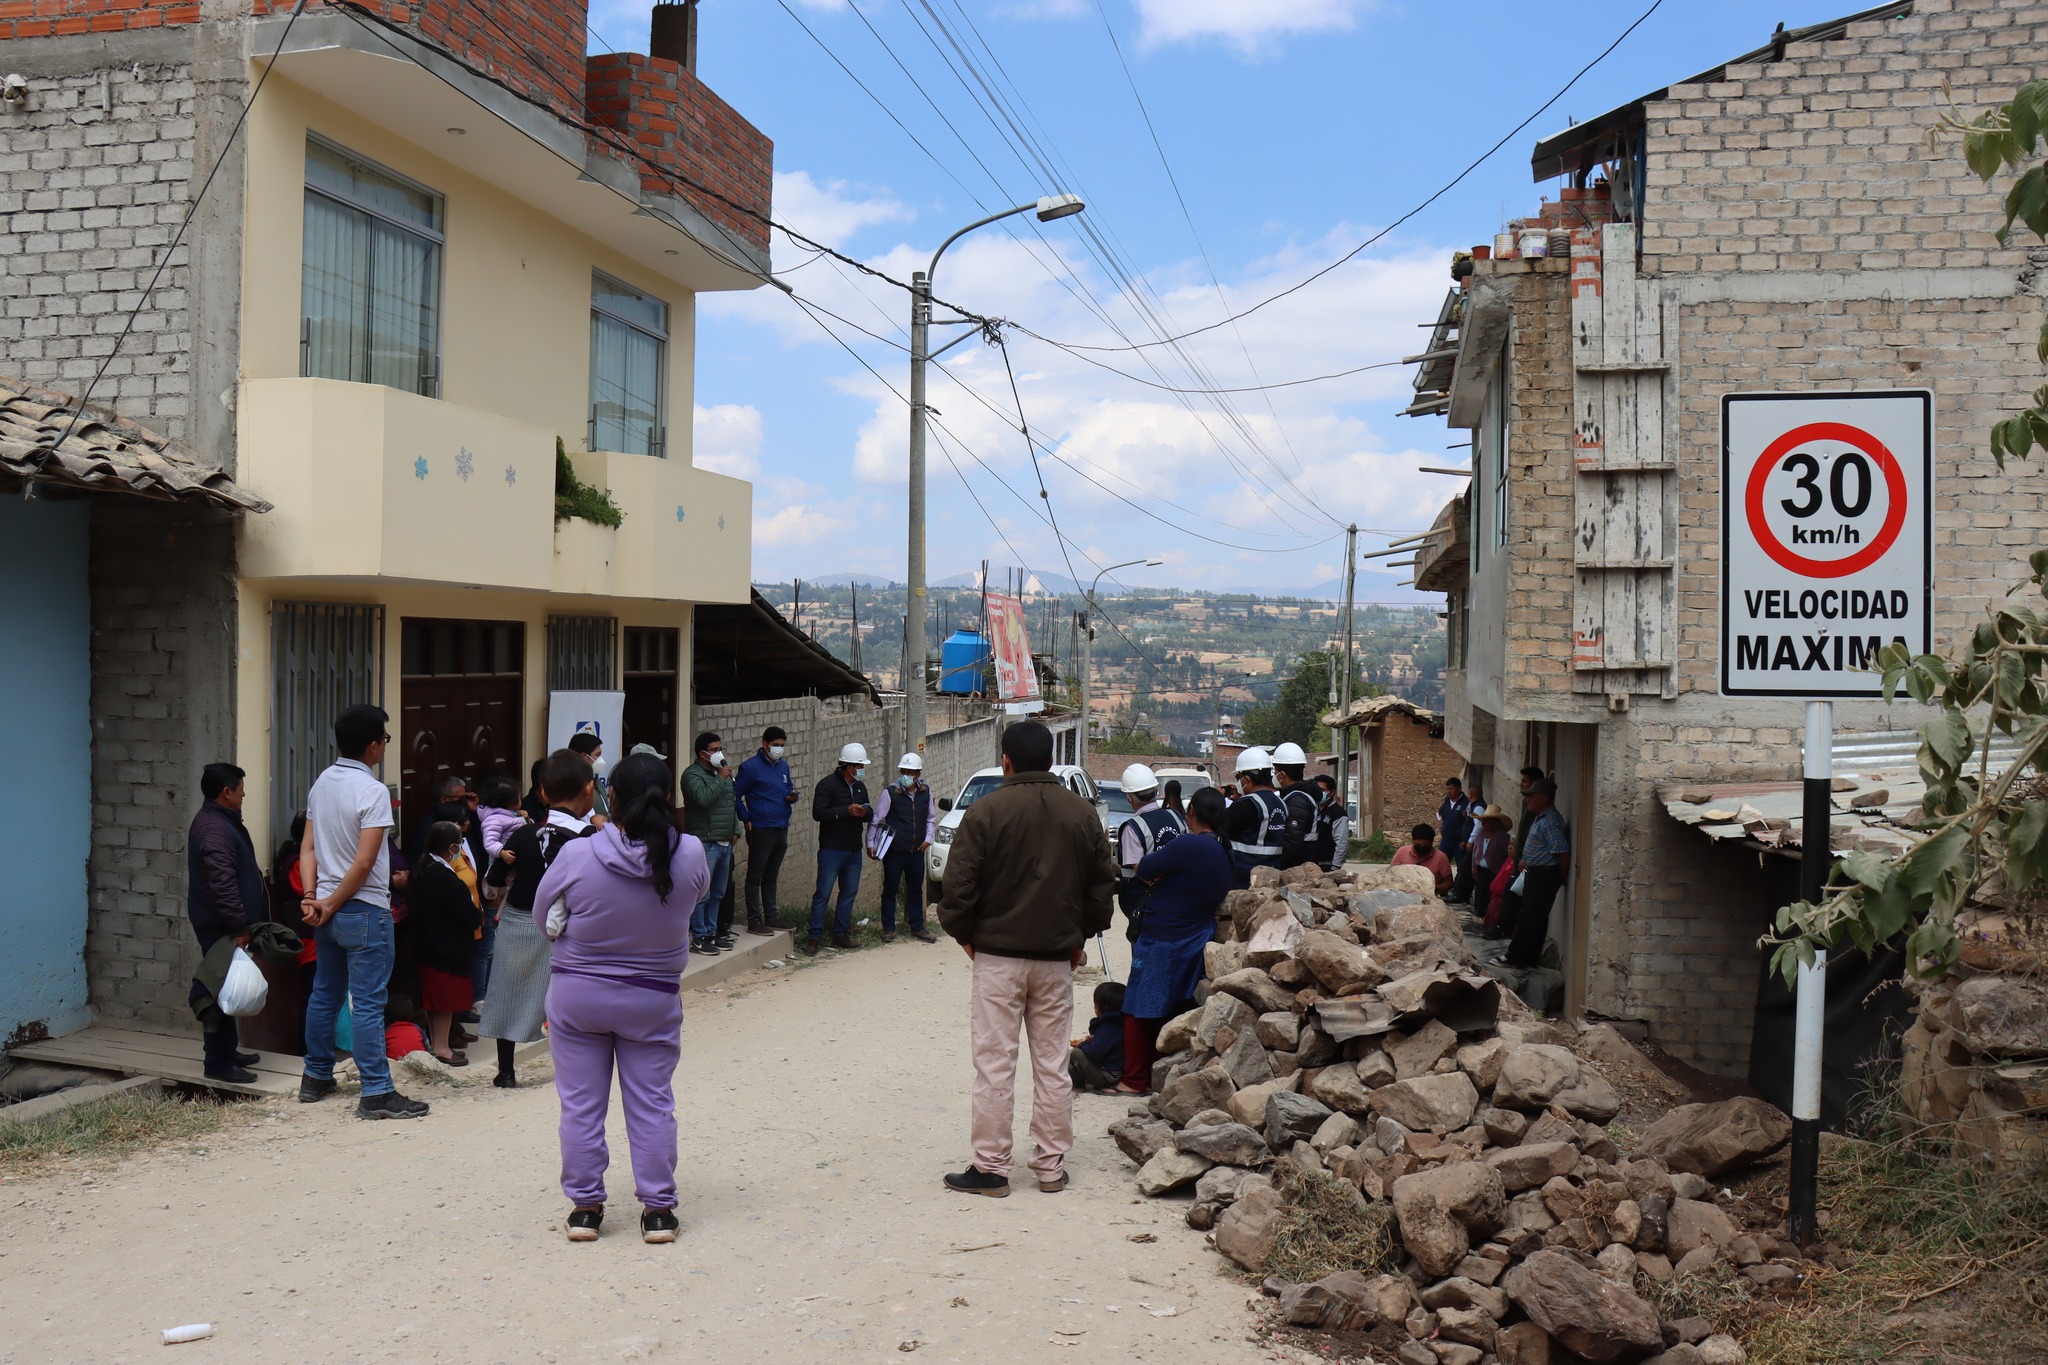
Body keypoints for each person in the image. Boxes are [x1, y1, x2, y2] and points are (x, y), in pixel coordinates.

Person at [536, 751, 709, 1245]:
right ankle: (658, 1213)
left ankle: (586, 1210)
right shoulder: (692, 852)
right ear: (669, 797)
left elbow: (544, 914)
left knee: (581, 1107)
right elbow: (695, 899)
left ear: (611, 796)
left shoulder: (577, 853)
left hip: (577, 998)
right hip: (652, 1000)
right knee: (652, 1104)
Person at [938, 721, 1117, 1196]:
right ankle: (1050, 1167)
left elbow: (957, 888)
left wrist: (966, 937)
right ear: (1051, 762)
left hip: (996, 957)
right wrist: (1081, 936)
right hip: (1057, 959)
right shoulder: (1081, 814)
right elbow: (1102, 886)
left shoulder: (985, 812)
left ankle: (992, 1169)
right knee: (1053, 1063)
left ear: (1006, 762)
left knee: (995, 1063)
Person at [299, 704, 429, 1120]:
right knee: (369, 1003)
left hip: (325, 907)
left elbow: (309, 848)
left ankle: (316, 1075)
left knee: (325, 993)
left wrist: (311, 897)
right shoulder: (372, 791)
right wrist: (332, 900)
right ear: (374, 745)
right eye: (385, 740)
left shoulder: (322, 783)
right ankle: (376, 1090)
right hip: (363, 909)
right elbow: (364, 862)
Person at [481, 750, 599, 1088]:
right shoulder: (591, 839)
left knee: (508, 992)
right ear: (589, 790)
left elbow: (495, 878)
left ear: (542, 792)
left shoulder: (522, 835)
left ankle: (506, 1071)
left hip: (520, 920)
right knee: (568, 997)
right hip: (572, 926)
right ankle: (573, 1066)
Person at [1119, 785, 1233, 1095]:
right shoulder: (1222, 850)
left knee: (1138, 1006)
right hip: (1195, 935)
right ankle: (1160, 1076)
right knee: (1172, 1007)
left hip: (1163, 937)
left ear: (1191, 813)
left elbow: (1144, 867)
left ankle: (1134, 1079)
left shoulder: (1188, 845)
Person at [186, 762, 267, 1083]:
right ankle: (218, 1063)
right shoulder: (214, 829)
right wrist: (239, 927)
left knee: (228, 986)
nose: (244, 796)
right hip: (221, 927)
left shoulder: (221, 820)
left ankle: (228, 1050)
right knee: (218, 990)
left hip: (226, 924)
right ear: (226, 792)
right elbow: (222, 884)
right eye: (242, 791)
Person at [409, 820, 484, 1066]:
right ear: (452, 847)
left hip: (427, 945)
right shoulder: (443, 877)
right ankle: (442, 1048)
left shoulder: (422, 867)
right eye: (459, 845)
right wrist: (476, 916)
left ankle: (436, 1044)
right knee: (443, 1002)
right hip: (446, 949)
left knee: (434, 1002)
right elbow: (468, 915)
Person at [804, 742, 871, 956]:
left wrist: (864, 814)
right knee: (823, 894)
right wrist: (845, 811)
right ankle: (814, 938)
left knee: (848, 894)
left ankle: (840, 934)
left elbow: (870, 813)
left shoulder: (860, 787)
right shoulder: (827, 785)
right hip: (832, 850)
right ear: (849, 767)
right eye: (859, 766)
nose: (861, 770)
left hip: (853, 850)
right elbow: (818, 813)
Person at [734, 726, 798, 936]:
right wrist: (746, 818)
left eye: (781, 746)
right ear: (764, 744)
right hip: (761, 827)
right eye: (775, 745)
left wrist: (792, 796)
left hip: (781, 825)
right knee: (755, 876)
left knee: (772, 875)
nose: (778, 749)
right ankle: (755, 920)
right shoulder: (750, 767)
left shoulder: (783, 767)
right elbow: (734, 795)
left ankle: (772, 916)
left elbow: (787, 789)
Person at [868, 752, 938, 944]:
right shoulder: (890, 793)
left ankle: (917, 927)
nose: (907, 775)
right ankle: (888, 928)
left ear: (918, 773)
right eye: (904, 771)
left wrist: (928, 838)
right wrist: (871, 843)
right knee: (890, 889)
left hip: (916, 850)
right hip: (895, 851)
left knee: (915, 889)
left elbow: (931, 818)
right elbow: (876, 819)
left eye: (911, 772)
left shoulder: (926, 792)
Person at [680, 731, 738, 956]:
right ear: (702, 753)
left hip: (724, 842)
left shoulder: (720, 775)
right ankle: (699, 935)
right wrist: (721, 779)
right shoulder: (692, 775)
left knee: (717, 893)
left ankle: (712, 932)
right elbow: (703, 798)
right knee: (701, 894)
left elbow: (731, 802)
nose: (719, 753)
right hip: (705, 842)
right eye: (714, 750)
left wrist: (735, 829)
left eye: (719, 748)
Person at [1114, 763, 1186, 942]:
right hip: (1178, 900)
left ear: (1130, 798)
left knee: (1145, 955)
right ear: (1156, 790)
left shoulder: (1132, 828)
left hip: (1145, 904)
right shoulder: (1177, 817)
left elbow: (1139, 868)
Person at [1506, 780, 1569, 969]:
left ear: (1545, 798)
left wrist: (1563, 876)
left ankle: (1516, 958)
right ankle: (1528, 958)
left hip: (1544, 875)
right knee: (1534, 917)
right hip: (1536, 871)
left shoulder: (1550, 820)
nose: (1528, 799)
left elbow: (1562, 851)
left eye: (1532, 795)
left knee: (1530, 916)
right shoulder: (1541, 817)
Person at [1220, 747, 1287, 889]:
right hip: (1273, 875)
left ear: (1247, 779)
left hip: (1243, 876)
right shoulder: (1280, 803)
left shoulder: (1247, 804)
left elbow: (1220, 826)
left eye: (1238, 778)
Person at [1269, 742, 1320, 869]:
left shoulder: (1297, 801)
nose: (1274, 774)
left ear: (1282, 775)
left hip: (1298, 867)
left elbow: (1292, 843)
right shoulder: (1298, 795)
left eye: (1276, 770)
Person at [1068, 981, 1126, 1093]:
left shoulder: (1108, 1027)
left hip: (1108, 1075)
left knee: (1074, 1054)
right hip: (1112, 1071)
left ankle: (1078, 1083)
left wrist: (1082, 1044)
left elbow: (1094, 1053)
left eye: (1095, 1004)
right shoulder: (1117, 1022)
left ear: (1102, 1007)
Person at [1469, 804, 1513, 932]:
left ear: (1494, 823)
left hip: (1496, 871)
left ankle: (1492, 922)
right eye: (1483, 821)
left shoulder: (1503, 837)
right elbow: (1475, 852)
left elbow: (1508, 855)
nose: (1484, 824)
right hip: (1482, 871)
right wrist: (1473, 868)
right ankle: (1481, 919)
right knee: (1481, 895)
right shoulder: (1480, 835)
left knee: (1492, 896)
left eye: (1487, 821)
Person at [1391, 823, 1454, 896]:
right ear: (1413, 840)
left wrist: (1435, 889)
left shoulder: (1441, 857)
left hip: (1430, 896)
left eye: (1426, 845)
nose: (1422, 847)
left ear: (1432, 842)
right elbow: (1391, 874)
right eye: (1419, 845)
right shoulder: (1402, 852)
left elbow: (1449, 883)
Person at [1437, 778, 1472, 903]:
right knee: (1441, 864)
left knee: (1461, 867)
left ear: (1458, 789)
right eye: (1447, 789)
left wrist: (1467, 839)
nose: (1449, 791)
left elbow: (1471, 822)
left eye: (1451, 789)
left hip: (1459, 842)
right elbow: (1440, 814)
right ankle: (1442, 890)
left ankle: (1459, 892)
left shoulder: (1466, 803)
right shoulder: (1446, 801)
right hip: (1446, 840)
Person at [1310, 774, 1350, 871]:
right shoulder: (1311, 809)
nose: (1318, 793)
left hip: (1327, 865)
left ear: (1331, 792)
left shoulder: (1338, 814)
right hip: (1310, 864)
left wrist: (1335, 868)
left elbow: (1342, 842)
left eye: (1322, 790)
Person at [568, 731, 610, 820]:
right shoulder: (574, 785)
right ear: (584, 756)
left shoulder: (595, 779)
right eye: (597, 755)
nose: (600, 760)